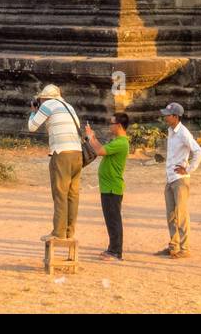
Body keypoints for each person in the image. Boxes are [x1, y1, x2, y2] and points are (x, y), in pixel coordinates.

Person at [26, 83, 83, 241]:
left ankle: (58, 232)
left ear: (44, 98)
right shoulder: (68, 106)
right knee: (73, 195)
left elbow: (32, 127)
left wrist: (33, 112)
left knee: (60, 194)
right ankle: (69, 231)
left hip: (61, 154)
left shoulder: (47, 105)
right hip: (77, 153)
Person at [154, 102, 201, 258]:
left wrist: (187, 169)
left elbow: (198, 151)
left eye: (167, 115)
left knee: (181, 214)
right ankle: (174, 245)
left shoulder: (183, 133)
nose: (165, 117)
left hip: (180, 179)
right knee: (171, 214)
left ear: (175, 116)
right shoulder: (171, 131)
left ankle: (185, 248)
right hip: (170, 177)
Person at [83, 112, 129, 260]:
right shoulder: (116, 141)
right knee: (111, 220)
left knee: (114, 220)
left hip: (112, 187)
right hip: (108, 186)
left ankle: (116, 251)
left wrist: (91, 137)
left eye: (112, 123)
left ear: (119, 126)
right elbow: (100, 148)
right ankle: (113, 249)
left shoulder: (121, 142)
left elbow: (99, 151)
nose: (110, 126)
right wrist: (93, 138)